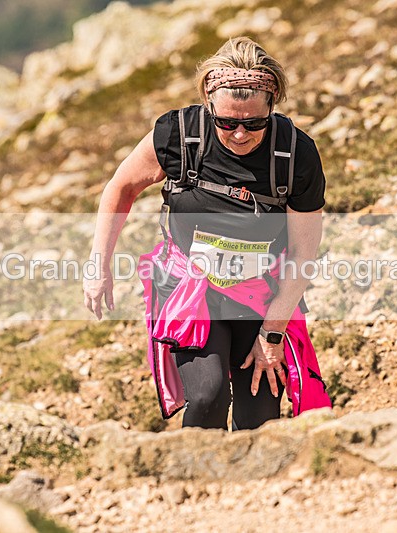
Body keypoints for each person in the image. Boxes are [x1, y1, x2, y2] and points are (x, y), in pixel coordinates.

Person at [83, 37, 330, 431]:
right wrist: (99, 264)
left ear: (272, 107)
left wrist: (272, 335)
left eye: (254, 123)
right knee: (208, 395)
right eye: (227, 122)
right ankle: (194, 469)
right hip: (189, 287)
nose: (239, 134)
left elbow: (303, 252)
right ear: (209, 105)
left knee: (259, 414)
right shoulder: (179, 134)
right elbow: (121, 187)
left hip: (261, 292)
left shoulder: (295, 154)